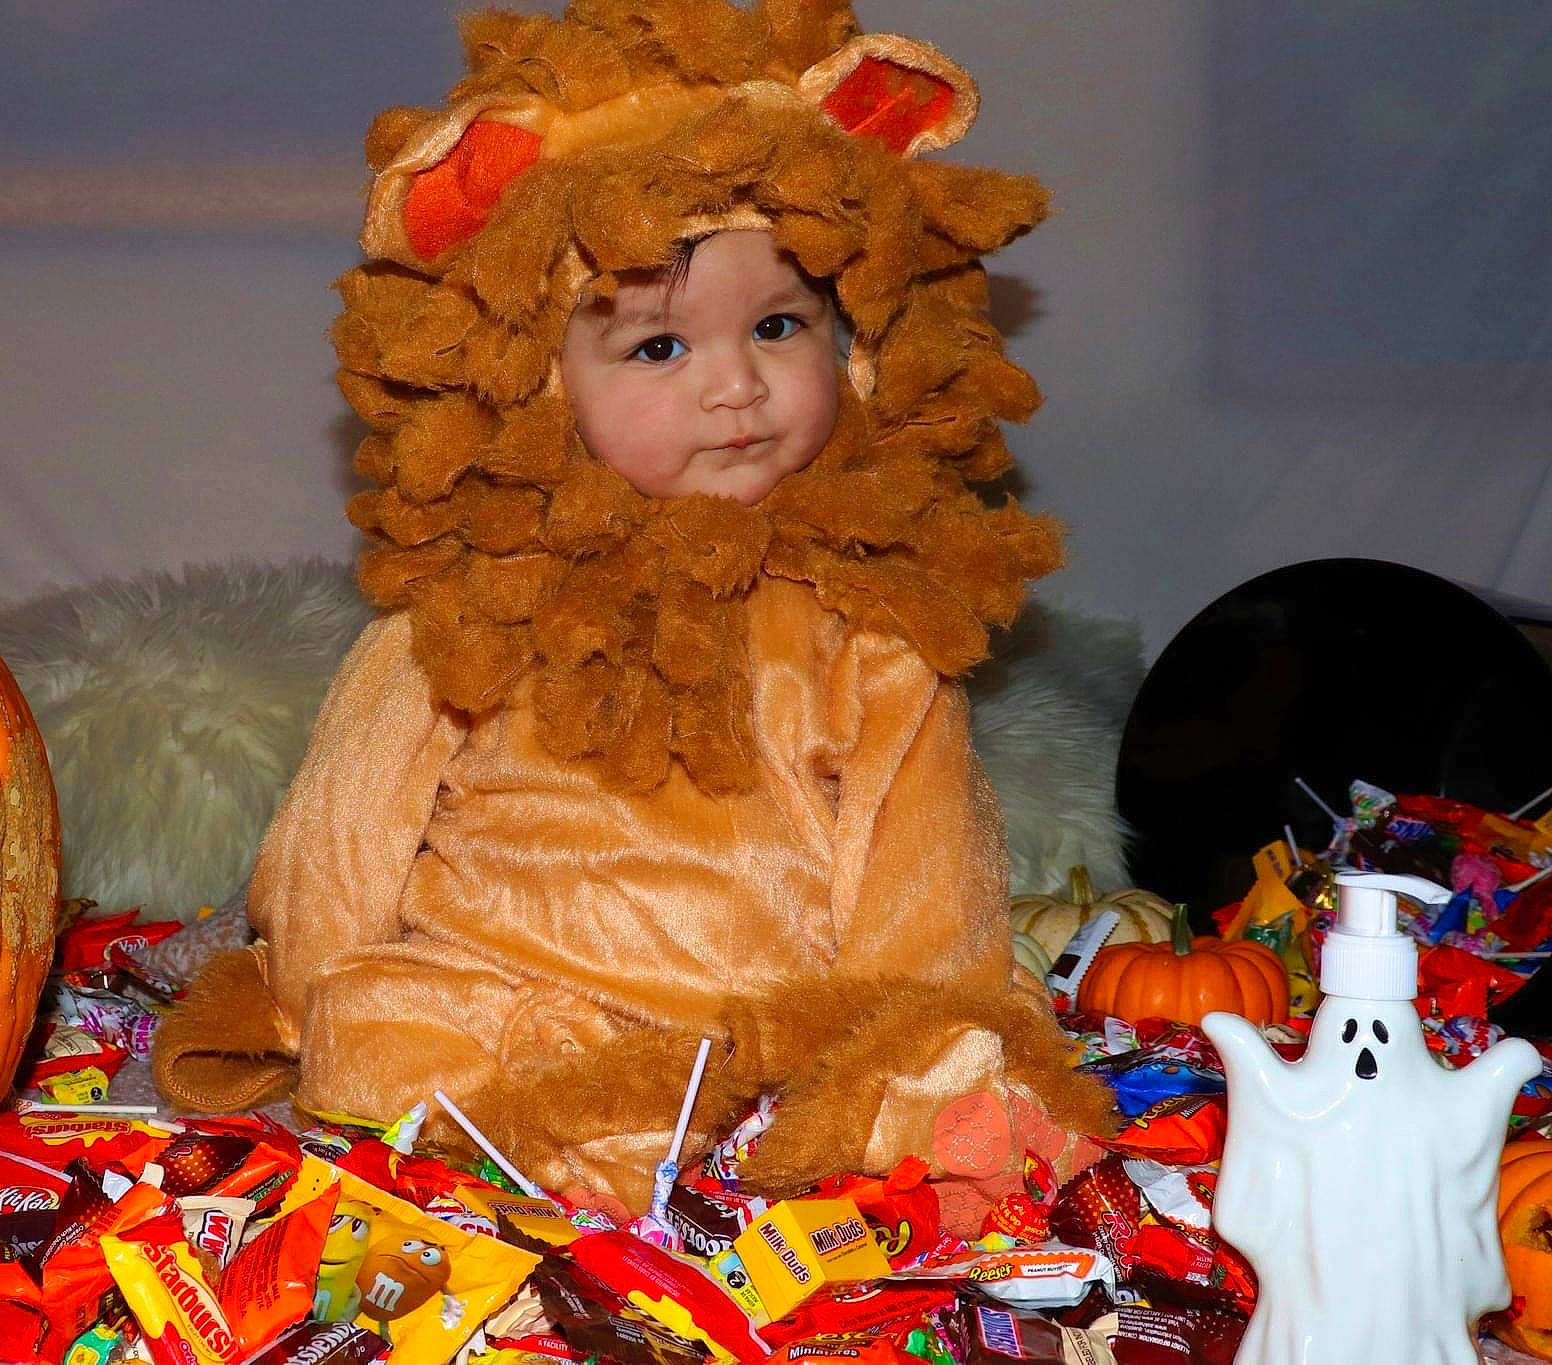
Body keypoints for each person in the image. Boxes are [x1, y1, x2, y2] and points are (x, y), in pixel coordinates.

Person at [153, 0, 1117, 1230]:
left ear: (861, 344)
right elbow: (347, 826)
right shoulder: (479, 598)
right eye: (658, 348)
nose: (734, 386)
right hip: (500, 988)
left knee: (932, 1077)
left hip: (753, 1023)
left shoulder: (863, 615)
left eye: (779, 327)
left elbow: (921, 863)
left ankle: (740, 1129)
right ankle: (571, 1131)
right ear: (536, 387)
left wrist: (917, 1019)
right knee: (377, 1028)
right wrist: (299, 990)